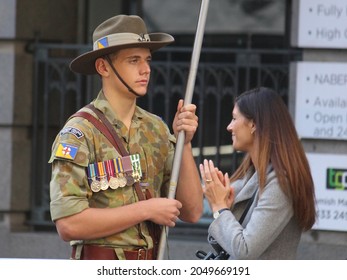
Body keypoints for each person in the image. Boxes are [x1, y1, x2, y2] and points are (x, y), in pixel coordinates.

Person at [49, 14, 203, 260]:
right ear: (103, 67)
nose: (146, 69)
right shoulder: (80, 133)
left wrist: (184, 141)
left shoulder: (157, 129)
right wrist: (145, 210)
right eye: (133, 60)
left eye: (147, 60)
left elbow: (193, 211)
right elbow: (69, 224)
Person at [199, 87, 316, 260]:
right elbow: (228, 241)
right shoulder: (252, 176)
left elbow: (245, 249)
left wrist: (219, 207)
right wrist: (227, 207)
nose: (229, 127)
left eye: (234, 118)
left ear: (253, 124)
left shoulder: (281, 184)